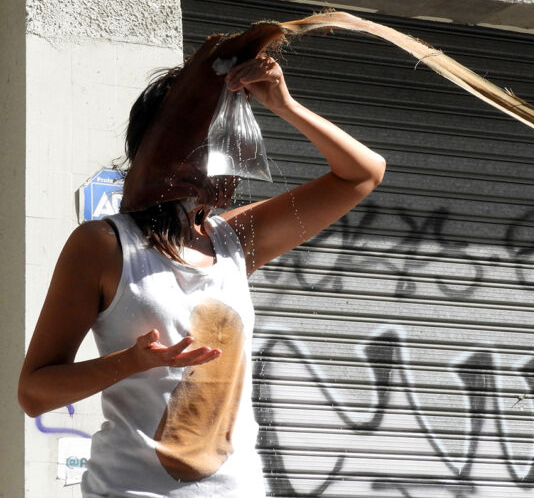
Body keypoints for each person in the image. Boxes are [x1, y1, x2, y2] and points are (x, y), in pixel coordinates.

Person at [18, 54, 386, 497]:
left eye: (231, 138)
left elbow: (362, 174)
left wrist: (282, 104)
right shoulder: (104, 245)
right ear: (166, 144)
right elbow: (35, 393)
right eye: (213, 138)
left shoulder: (233, 239)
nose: (229, 157)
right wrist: (133, 361)